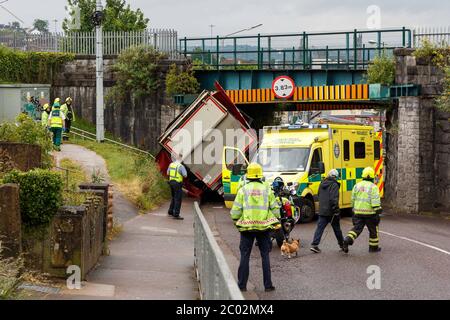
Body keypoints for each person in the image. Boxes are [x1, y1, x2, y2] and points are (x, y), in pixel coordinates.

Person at [230, 163, 280, 292]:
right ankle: (268, 285)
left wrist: (237, 221)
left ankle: (242, 286)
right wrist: (276, 221)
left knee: (245, 255)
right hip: (264, 228)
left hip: (247, 228)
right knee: (265, 255)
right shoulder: (267, 189)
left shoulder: (243, 190)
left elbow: (235, 212)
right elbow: (275, 208)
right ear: (260, 175)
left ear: (248, 175)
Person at [342, 167, 382, 253]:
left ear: (362, 175)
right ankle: (373, 248)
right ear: (372, 176)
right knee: (373, 230)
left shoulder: (356, 186)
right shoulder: (373, 187)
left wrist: (353, 209)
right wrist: (378, 210)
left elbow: (353, 199)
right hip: (370, 214)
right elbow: (375, 202)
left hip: (358, 212)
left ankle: (347, 239)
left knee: (357, 229)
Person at [310, 169, 344, 253]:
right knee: (337, 229)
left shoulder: (322, 183)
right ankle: (342, 245)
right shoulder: (334, 185)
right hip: (331, 212)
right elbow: (333, 199)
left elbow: (318, 195)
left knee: (320, 228)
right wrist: (336, 210)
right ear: (335, 177)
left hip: (322, 210)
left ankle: (315, 245)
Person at [167, 153, 187, 220]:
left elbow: (167, 173)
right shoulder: (181, 166)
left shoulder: (171, 164)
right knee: (178, 199)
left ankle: (170, 211)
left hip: (171, 182)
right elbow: (185, 175)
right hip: (177, 184)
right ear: (181, 159)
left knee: (173, 197)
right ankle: (176, 214)